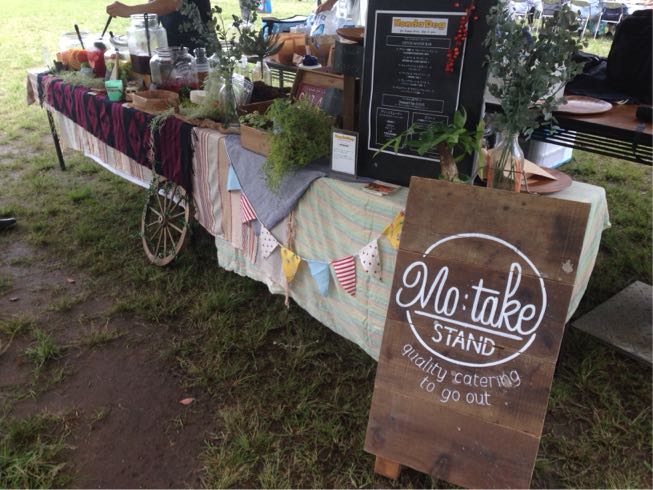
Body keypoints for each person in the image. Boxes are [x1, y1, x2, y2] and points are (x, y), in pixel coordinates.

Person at [106, 0, 212, 51]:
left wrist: (129, 10)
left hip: (200, 54)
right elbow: (154, 10)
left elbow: (172, 3)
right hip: (174, 52)